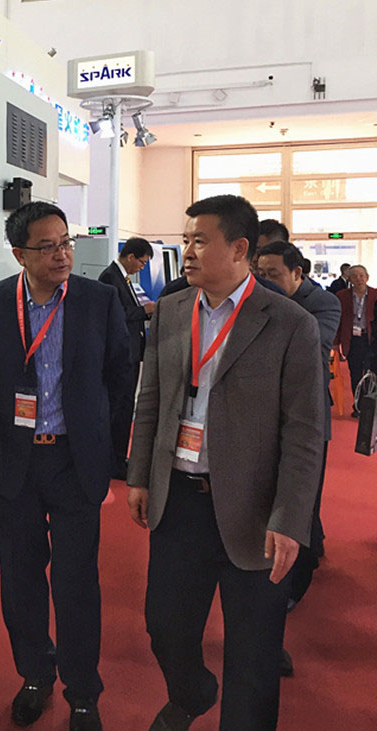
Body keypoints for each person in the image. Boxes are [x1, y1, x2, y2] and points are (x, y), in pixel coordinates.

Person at [127, 195, 324, 730]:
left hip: (255, 510)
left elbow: (305, 433)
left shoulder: (290, 323)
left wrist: (291, 519)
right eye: (185, 240)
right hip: (180, 501)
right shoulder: (171, 310)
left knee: (253, 654)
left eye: (199, 241)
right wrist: (139, 474)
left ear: (239, 249)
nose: (187, 252)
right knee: (165, 627)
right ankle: (191, 692)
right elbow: (152, 400)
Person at [0, 201, 130, 731]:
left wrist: (108, 450)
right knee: (21, 581)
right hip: (16, 464)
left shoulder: (98, 300)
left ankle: (83, 692)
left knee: (76, 584)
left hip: (75, 463)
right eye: (48, 247)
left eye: (65, 243)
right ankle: (34, 675)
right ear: (20, 254)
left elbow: (120, 376)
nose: (62, 255)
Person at [256, 241, 340, 611]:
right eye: (260, 274)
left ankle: (296, 585)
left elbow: (310, 348)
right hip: (262, 417)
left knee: (301, 503)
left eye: (273, 274)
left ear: (297, 273)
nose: (265, 281)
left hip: (308, 420)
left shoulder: (323, 303)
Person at [98, 237, 155, 479]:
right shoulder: (110, 278)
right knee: (119, 409)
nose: (141, 267)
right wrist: (144, 311)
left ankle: (119, 458)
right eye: (141, 263)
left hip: (130, 353)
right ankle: (113, 461)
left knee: (125, 406)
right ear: (130, 257)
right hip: (120, 355)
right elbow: (114, 315)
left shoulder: (125, 279)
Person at [334, 265, 377, 415]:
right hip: (353, 340)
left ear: (367, 277)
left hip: (371, 339)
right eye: (355, 276)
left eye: (361, 275)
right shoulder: (342, 296)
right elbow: (338, 320)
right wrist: (336, 342)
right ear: (350, 280)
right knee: (355, 373)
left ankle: (370, 406)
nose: (359, 279)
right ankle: (358, 406)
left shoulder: (375, 295)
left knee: (371, 373)